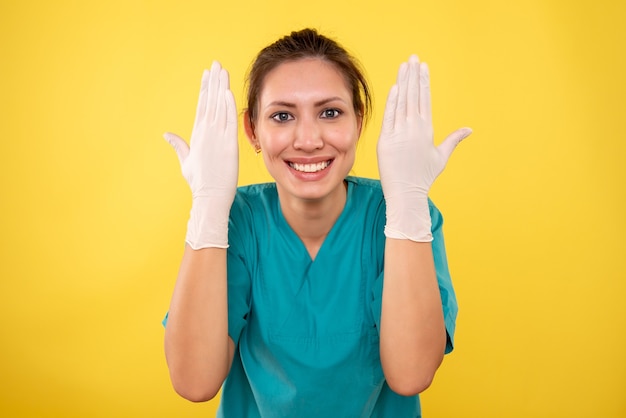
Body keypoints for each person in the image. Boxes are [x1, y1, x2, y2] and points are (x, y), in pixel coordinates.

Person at [162, 28, 471, 417]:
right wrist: (207, 206)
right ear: (252, 131)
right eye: (282, 116)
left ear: (359, 122)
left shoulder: (401, 214)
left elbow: (411, 374)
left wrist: (408, 202)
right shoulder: (235, 220)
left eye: (330, 112)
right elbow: (193, 381)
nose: (308, 139)